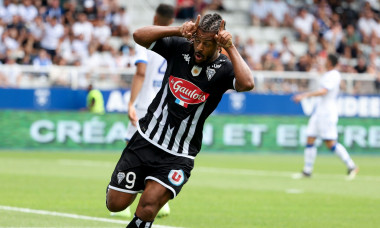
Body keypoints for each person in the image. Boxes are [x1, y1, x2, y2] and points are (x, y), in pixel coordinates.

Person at [105, 13, 254, 228]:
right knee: (115, 205)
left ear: (218, 44)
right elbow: (138, 36)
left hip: (179, 154)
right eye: (197, 41)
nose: (199, 48)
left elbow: (247, 83)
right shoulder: (180, 47)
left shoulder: (224, 68)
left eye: (207, 43)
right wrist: (177, 30)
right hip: (145, 140)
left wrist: (231, 47)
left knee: (148, 206)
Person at [113, 3, 176, 219]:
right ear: (172, 19)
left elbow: (140, 73)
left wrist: (130, 103)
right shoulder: (177, 43)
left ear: (155, 18)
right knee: (161, 152)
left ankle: (123, 201)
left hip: (145, 106)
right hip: (166, 107)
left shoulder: (146, 40)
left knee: (132, 152)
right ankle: (161, 202)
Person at [292, 54, 359, 180]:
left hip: (327, 114)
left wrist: (304, 95)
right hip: (319, 112)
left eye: (326, 60)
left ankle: (351, 166)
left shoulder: (333, 75)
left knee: (330, 143)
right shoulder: (328, 74)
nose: (323, 62)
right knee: (310, 138)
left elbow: (324, 91)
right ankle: (307, 170)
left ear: (330, 62)